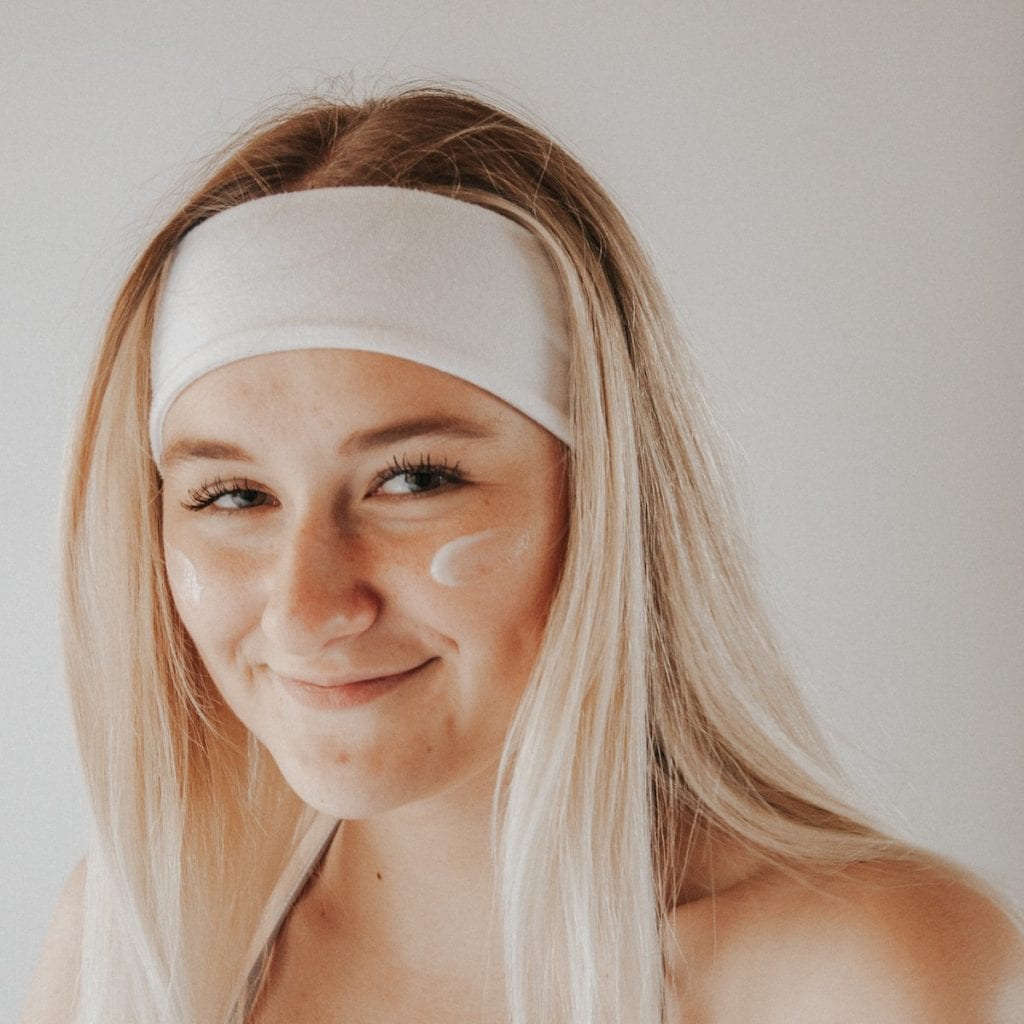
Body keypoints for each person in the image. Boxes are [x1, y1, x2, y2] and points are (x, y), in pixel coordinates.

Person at [22, 85, 1023, 1024]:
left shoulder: (862, 973)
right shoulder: (139, 938)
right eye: (232, 495)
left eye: (414, 479)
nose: (307, 605)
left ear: (602, 496)